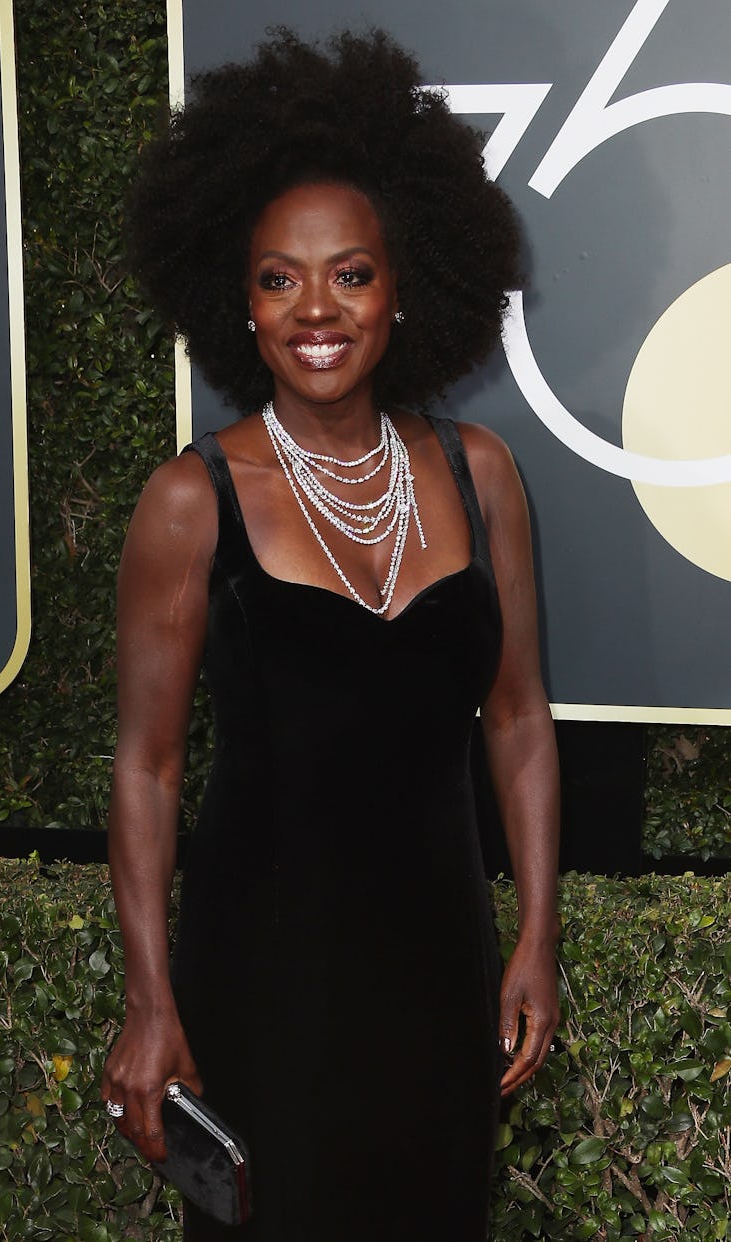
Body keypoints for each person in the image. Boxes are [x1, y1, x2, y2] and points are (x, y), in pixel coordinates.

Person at [101, 28, 560, 1242]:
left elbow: (518, 718)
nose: (316, 309)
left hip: (438, 970)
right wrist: (150, 1002)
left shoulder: (482, 476)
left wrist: (538, 936)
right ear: (241, 305)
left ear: (403, 290)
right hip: (263, 981)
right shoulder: (191, 500)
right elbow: (147, 768)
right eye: (279, 279)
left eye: (350, 274)